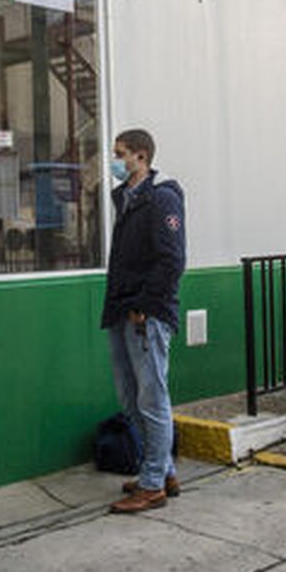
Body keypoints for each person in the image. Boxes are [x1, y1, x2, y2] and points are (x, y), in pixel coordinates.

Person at [101, 129, 186, 513]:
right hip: (123, 310)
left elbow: (172, 260)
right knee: (131, 398)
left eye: (121, 154)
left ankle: (152, 484)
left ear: (142, 156)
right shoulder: (127, 199)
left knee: (152, 399)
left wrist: (145, 305)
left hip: (145, 315)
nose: (115, 161)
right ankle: (162, 469)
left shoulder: (161, 198)